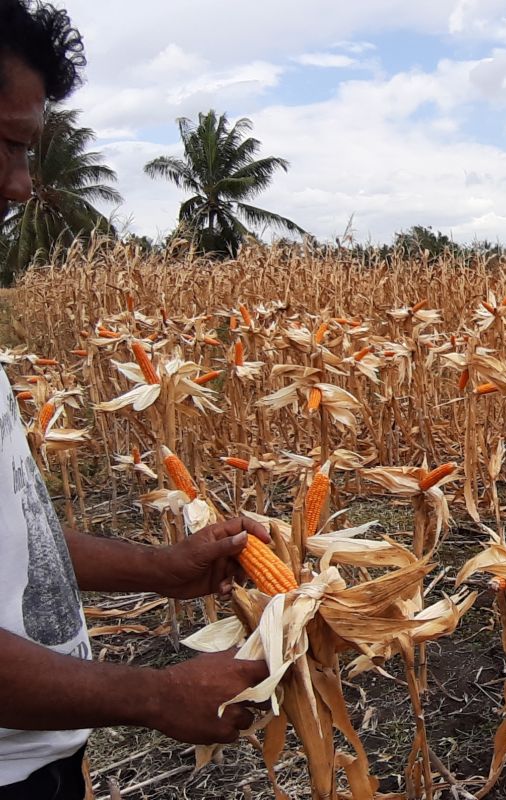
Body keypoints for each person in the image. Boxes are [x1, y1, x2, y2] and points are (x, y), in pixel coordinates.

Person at [0, 2, 271, 797]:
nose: (22, 183)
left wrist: (163, 569)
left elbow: (20, 548)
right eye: (8, 145)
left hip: (40, 753)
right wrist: (152, 695)